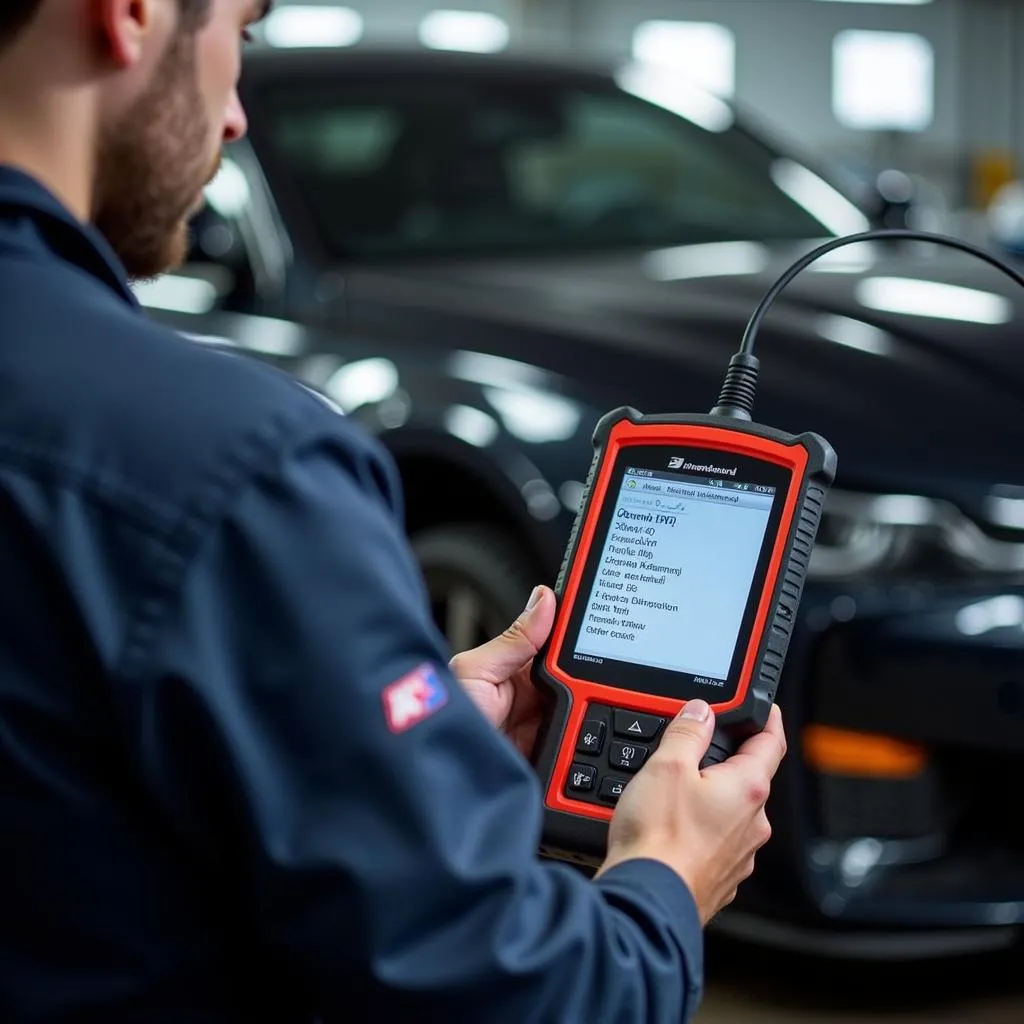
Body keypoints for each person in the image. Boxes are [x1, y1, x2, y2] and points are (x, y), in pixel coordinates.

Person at [0, 1, 787, 1021]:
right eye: (239, 29)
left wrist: (378, 747)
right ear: (133, 14)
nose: (233, 114)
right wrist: (663, 884)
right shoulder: (239, 469)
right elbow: (519, 991)